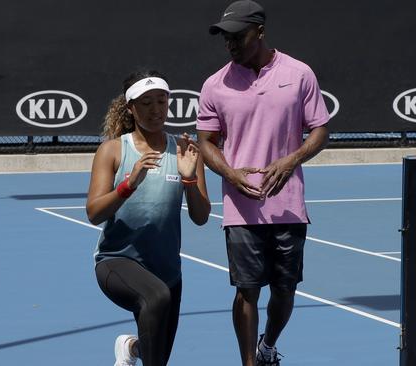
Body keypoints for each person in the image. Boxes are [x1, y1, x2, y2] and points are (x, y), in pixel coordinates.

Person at [197, 1, 330, 365]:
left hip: (288, 205)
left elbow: (319, 129)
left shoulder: (300, 74)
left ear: (259, 32)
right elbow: (205, 143)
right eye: (226, 38)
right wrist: (231, 174)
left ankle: (267, 345)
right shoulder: (215, 85)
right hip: (240, 209)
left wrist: (292, 160)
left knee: (285, 291)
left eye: (238, 36)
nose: (231, 44)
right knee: (247, 291)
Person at [86, 70, 211, 366]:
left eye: (161, 101)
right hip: (116, 262)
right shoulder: (113, 151)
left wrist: (190, 179)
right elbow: (94, 213)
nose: (156, 110)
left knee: (156, 351)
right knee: (156, 298)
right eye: (146, 103)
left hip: (167, 272)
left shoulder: (185, 150)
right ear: (130, 108)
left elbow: (201, 216)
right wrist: (128, 185)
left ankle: (131, 348)